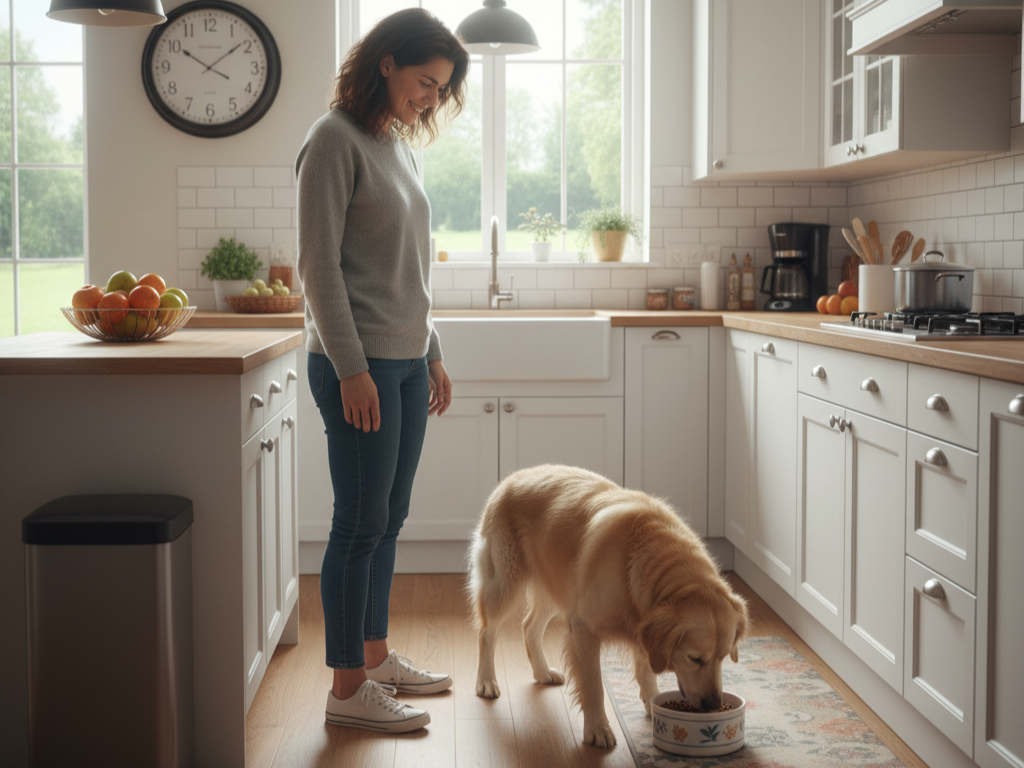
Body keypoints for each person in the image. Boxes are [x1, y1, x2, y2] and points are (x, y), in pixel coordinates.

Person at [295, 7, 469, 734]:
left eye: (441, 90)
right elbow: (320, 269)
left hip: (401, 360)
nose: (430, 99)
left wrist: (429, 350)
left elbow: (405, 270)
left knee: (388, 519)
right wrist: (352, 368)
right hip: (356, 367)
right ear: (387, 62)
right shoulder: (333, 140)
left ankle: (374, 656)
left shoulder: (393, 143)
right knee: (358, 523)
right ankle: (345, 691)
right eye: (425, 82)